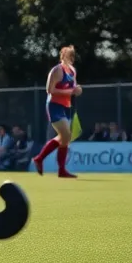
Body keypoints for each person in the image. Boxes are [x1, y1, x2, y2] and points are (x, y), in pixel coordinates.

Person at [31, 46, 81, 179]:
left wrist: (77, 90)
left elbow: (73, 87)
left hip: (66, 106)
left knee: (64, 138)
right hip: (54, 106)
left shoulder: (72, 71)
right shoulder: (57, 70)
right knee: (65, 135)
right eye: (69, 55)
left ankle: (45, 162)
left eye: (73, 56)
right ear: (62, 56)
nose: (71, 58)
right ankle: (45, 161)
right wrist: (70, 92)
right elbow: (50, 90)